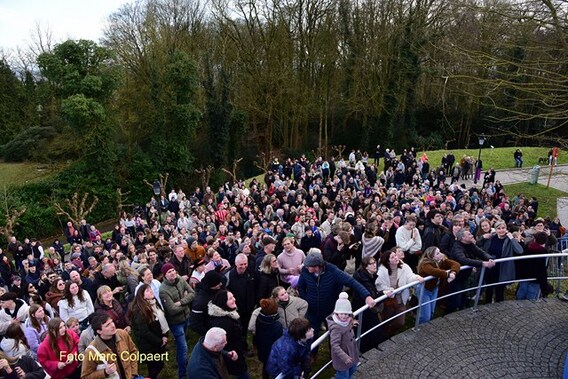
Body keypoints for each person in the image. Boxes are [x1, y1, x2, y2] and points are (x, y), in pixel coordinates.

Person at [297, 249, 375, 347]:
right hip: (312, 311)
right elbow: (300, 286)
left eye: (309, 266)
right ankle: (312, 355)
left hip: (329, 310)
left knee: (334, 336)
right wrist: (307, 299)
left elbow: (352, 282)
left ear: (317, 267)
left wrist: (367, 296)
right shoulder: (305, 270)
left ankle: (334, 356)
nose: (306, 268)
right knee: (312, 336)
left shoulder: (333, 271)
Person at [375, 249, 424, 337]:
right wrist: (389, 290)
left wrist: (417, 278)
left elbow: (410, 276)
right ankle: (383, 335)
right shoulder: (381, 272)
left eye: (395, 255)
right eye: (392, 257)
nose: (396, 258)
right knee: (386, 320)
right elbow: (379, 285)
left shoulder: (404, 267)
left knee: (400, 322)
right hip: (388, 301)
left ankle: (390, 333)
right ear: (387, 261)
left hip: (401, 299)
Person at [158, 262, 195, 379]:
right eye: (169, 272)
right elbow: (172, 310)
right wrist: (187, 302)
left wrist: (181, 302)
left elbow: (193, 293)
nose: (172, 273)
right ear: (165, 275)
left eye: (173, 270)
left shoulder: (180, 279)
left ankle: (183, 362)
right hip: (175, 323)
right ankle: (182, 374)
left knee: (181, 347)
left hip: (185, 317)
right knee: (183, 348)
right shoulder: (163, 290)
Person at [447, 229, 495, 313]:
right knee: (456, 298)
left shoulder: (470, 244)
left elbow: (480, 252)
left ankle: (462, 311)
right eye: (469, 234)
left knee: (464, 296)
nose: (472, 235)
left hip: (466, 275)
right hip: (456, 277)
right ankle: (449, 315)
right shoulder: (457, 248)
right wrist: (482, 263)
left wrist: (489, 258)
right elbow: (463, 260)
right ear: (463, 238)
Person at [80, 312, 139, 379]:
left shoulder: (122, 334)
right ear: (99, 331)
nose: (113, 325)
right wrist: (105, 372)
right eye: (107, 325)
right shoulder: (91, 350)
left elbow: (133, 352)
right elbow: (85, 376)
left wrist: (133, 373)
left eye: (112, 322)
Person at [129, 283, 169, 379]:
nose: (151, 291)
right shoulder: (139, 311)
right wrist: (160, 342)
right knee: (157, 366)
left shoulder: (153, 303)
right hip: (148, 346)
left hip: (155, 342)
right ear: (141, 295)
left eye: (150, 289)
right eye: (147, 290)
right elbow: (144, 332)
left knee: (155, 366)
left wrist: (164, 335)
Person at [207, 290, 250, 378]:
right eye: (230, 298)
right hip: (231, 355)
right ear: (223, 302)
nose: (234, 299)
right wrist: (229, 354)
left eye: (233, 296)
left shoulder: (230, 314)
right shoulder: (224, 323)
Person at [479, 221, 523, 303]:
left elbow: (519, 251)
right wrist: (483, 237)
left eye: (503, 228)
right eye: (498, 228)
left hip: (502, 268)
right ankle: (487, 306)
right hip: (490, 267)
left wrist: (512, 239)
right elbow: (479, 246)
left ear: (506, 229)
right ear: (495, 230)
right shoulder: (491, 237)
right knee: (489, 288)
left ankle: (499, 308)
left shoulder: (508, 239)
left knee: (499, 290)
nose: (501, 230)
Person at [416, 246, 460, 324]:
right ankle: (419, 329)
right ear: (432, 256)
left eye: (439, 252)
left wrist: (453, 272)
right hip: (424, 289)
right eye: (438, 253)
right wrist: (447, 274)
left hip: (434, 289)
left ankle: (425, 328)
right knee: (426, 316)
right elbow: (433, 271)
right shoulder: (425, 263)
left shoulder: (440, 261)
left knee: (432, 311)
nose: (441, 254)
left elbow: (456, 264)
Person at [225, 253, 256, 355]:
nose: (243, 267)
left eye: (245, 264)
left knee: (244, 328)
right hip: (234, 309)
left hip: (248, 308)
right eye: (241, 264)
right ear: (235, 263)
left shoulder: (250, 272)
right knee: (236, 329)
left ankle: (244, 346)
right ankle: (236, 348)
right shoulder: (228, 275)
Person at [352, 256, 384, 352]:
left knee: (370, 329)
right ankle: (366, 349)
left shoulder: (367, 276)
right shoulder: (364, 280)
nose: (375, 265)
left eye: (375, 262)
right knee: (369, 330)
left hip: (364, 308)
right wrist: (383, 293)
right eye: (371, 263)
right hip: (363, 308)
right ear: (366, 266)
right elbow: (372, 298)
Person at [326, 292, 359, 379]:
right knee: (343, 375)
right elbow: (334, 345)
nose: (344, 316)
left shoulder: (348, 319)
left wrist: (351, 322)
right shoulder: (336, 327)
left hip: (351, 352)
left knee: (353, 368)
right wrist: (345, 357)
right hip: (343, 358)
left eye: (346, 314)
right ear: (336, 313)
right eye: (341, 314)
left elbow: (349, 319)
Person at [254, 298, 283, 379]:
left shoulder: (259, 318)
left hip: (262, 348)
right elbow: (279, 343)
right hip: (273, 353)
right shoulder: (277, 326)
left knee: (265, 368)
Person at [516, 232, 551, 300]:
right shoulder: (543, 252)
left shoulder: (527, 247)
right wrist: (544, 285)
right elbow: (542, 270)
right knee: (531, 297)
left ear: (534, 239)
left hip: (524, 276)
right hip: (535, 279)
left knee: (521, 294)